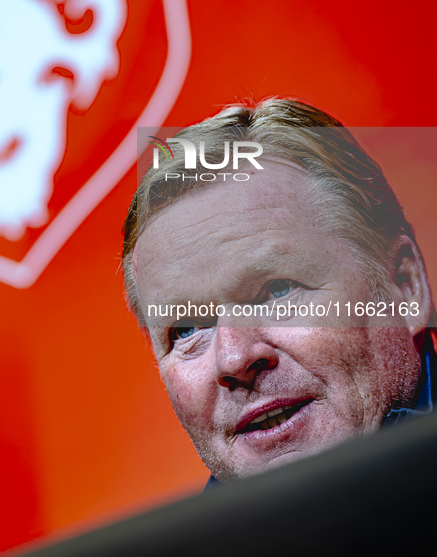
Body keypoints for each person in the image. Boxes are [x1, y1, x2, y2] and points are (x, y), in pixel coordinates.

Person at [121, 98, 436, 483]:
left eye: (278, 290)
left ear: (405, 288)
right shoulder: (177, 546)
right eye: (186, 329)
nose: (234, 358)